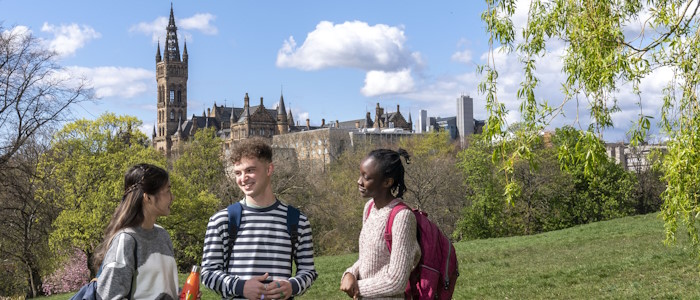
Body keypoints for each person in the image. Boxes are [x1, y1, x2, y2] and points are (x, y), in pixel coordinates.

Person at [201, 138, 318, 300]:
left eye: (250, 170)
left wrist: (292, 286)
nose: (243, 178)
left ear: (269, 169)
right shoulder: (221, 220)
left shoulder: (297, 221)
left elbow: (308, 271)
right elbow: (208, 274)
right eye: (238, 173)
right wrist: (241, 287)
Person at [340, 148, 421, 299]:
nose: (359, 181)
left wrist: (357, 287)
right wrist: (351, 272)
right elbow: (368, 258)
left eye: (366, 177)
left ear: (387, 182)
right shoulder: (369, 208)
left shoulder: (402, 217)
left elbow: (397, 281)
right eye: (360, 174)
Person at [93, 163, 180, 299]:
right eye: (168, 190)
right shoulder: (126, 240)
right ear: (148, 198)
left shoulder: (163, 236)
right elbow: (109, 296)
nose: (172, 197)